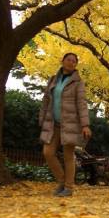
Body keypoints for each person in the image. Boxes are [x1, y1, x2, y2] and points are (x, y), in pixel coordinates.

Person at [39, 53, 91, 197]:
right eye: (68, 60)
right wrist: (42, 118)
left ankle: (68, 188)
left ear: (76, 65)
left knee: (69, 156)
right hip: (52, 124)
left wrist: (85, 125)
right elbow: (46, 101)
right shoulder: (53, 80)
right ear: (62, 61)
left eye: (74, 61)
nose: (71, 62)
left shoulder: (78, 83)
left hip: (70, 125)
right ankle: (62, 181)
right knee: (47, 153)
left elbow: (82, 104)